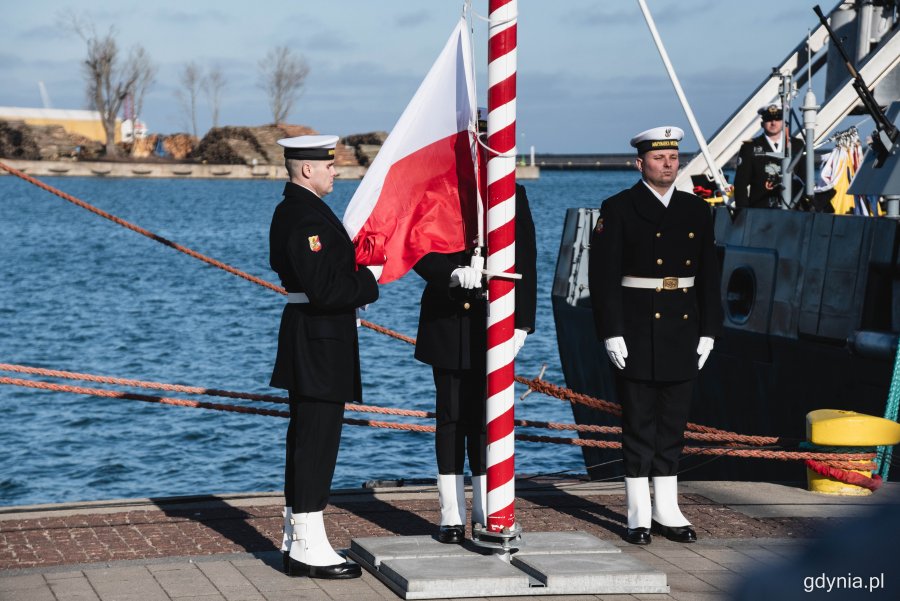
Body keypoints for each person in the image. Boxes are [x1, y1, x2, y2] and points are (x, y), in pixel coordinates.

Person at [588, 126, 723, 546]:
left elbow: (708, 277)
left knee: (673, 425)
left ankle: (667, 508)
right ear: (640, 163)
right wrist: (612, 332)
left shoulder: (697, 210)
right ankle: (638, 513)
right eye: (659, 158)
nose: (668, 164)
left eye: (673, 158)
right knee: (639, 424)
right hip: (638, 329)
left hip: (682, 329)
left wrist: (709, 332)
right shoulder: (619, 207)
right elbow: (603, 278)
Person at [413, 110, 537, 544]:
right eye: (478, 141)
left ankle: (488, 508)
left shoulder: (512, 195)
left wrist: (523, 322)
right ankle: (450, 513)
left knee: (488, 422)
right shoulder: (439, 193)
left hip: (493, 321)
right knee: (450, 420)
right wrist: (450, 273)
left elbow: (528, 260)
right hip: (448, 319)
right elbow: (418, 249)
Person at [269, 134, 381, 579]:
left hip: (317, 338)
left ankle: (300, 538)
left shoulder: (304, 210)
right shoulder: (301, 216)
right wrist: (369, 280)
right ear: (307, 169)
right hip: (316, 341)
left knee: (311, 441)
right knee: (315, 443)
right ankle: (308, 546)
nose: (335, 171)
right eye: (328, 165)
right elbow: (326, 290)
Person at [733, 104, 807, 209]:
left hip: (792, 209)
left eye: (777, 119)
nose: (773, 123)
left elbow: (804, 178)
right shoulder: (749, 147)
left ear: (783, 121)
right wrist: (742, 211)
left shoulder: (797, 145)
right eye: (769, 119)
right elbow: (741, 183)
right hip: (760, 210)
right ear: (762, 123)